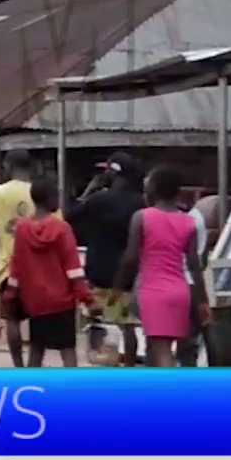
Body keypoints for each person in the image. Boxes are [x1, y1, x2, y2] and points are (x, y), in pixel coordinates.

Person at [118, 165, 211, 368]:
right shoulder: (188, 222)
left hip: (153, 291)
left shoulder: (142, 217)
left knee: (161, 352)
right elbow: (195, 265)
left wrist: (119, 287)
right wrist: (203, 302)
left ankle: (168, 396)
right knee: (171, 348)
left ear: (153, 188)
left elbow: (131, 258)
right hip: (180, 291)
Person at [7, 177, 100, 368]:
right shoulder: (63, 229)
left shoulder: (22, 229)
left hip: (35, 302)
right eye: (56, 196)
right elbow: (73, 270)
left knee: (36, 349)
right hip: (62, 303)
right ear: (49, 199)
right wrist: (88, 300)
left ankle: (30, 390)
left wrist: (10, 295)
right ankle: (69, 394)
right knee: (67, 351)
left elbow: (17, 265)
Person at [68, 153, 146, 365]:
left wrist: (91, 189)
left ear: (113, 173)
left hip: (98, 269)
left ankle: (99, 359)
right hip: (127, 271)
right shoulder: (141, 203)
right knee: (127, 325)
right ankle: (128, 368)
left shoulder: (98, 200)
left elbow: (69, 215)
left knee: (96, 319)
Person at [0, 150, 38, 367]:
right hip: (38, 267)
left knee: (12, 319)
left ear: (8, 165)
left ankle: (18, 366)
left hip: (8, 267)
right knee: (36, 319)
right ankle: (35, 364)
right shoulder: (39, 192)